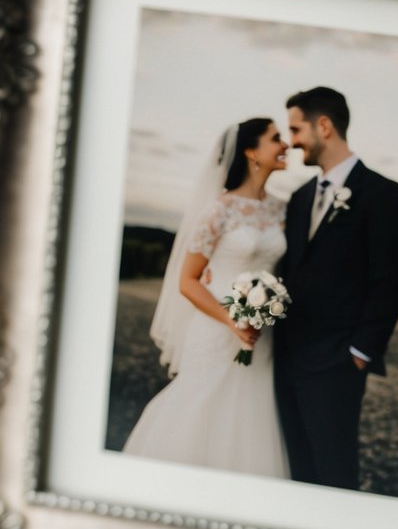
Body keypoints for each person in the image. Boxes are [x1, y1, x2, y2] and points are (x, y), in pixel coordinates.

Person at [122, 118, 289, 478]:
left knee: (253, 415)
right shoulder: (219, 210)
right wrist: (232, 319)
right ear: (250, 152)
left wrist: (266, 308)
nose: (285, 144)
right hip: (217, 329)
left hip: (263, 335)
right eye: (276, 138)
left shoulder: (283, 209)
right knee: (202, 408)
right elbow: (188, 280)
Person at [275, 86, 398, 491]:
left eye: (296, 129)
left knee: (334, 471)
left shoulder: (383, 194)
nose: (292, 141)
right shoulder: (300, 197)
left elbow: (390, 279)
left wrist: (359, 352)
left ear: (324, 125)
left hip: (337, 363)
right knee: (296, 466)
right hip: (286, 358)